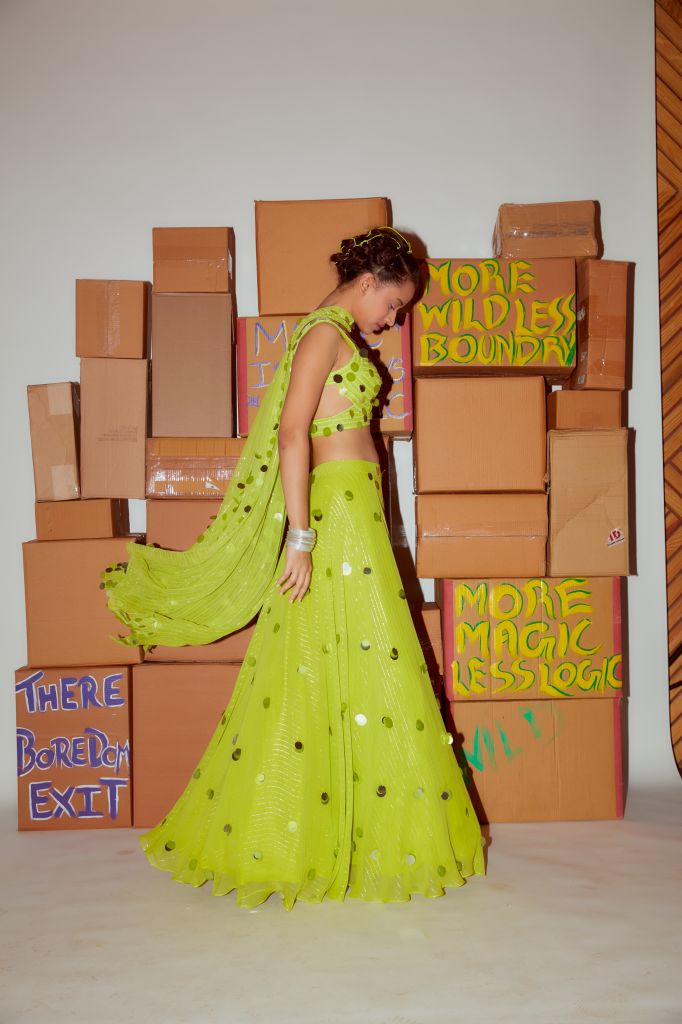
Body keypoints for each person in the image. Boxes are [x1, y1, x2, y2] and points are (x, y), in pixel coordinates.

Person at [101, 225, 487, 910]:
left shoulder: (339, 335)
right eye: (394, 304)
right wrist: (302, 538)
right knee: (341, 654)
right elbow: (290, 432)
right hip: (335, 517)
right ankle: (306, 832)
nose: (394, 320)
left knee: (359, 654)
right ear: (367, 283)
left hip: (355, 514)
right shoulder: (322, 334)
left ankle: (358, 827)